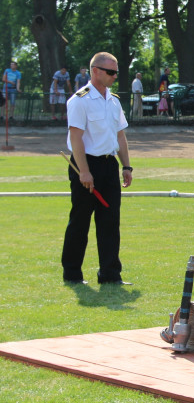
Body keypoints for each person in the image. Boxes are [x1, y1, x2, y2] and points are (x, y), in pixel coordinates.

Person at [61, 52, 134, 286]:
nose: (115, 76)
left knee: (110, 221)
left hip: (108, 165)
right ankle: (72, 273)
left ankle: (110, 274)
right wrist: (84, 171)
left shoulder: (114, 101)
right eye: (110, 72)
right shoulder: (79, 100)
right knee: (80, 221)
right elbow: (76, 138)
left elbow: (120, 136)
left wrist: (126, 166)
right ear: (95, 71)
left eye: (116, 72)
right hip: (85, 164)